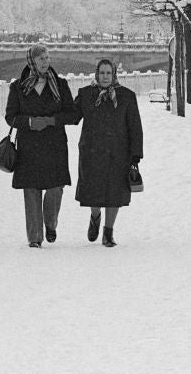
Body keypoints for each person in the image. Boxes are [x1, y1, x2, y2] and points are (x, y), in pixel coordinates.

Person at [5, 44, 76, 248]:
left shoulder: (60, 85)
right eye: (41, 59)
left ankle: (50, 223)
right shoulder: (17, 87)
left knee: (56, 188)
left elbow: (71, 114)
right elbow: (10, 117)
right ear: (32, 61)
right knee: (31, 189)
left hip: (54, 144)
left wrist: (51, 121)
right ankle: (35, 237)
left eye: (47, 58)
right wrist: (29, 122)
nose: (46, 62)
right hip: (29, 145)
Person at [70, 58, 143, 247]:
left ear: (114, 74)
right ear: (96, 74)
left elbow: (135, 127)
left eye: (108, 73)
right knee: (94, 189)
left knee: (115, 193)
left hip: (118, 153)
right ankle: (95, 217)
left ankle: (108, 232)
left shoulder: (126, 96)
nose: (105, 77)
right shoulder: (86, 94)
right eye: (102, 73)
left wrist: (135, 155)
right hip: (92, 152)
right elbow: (72, 116)